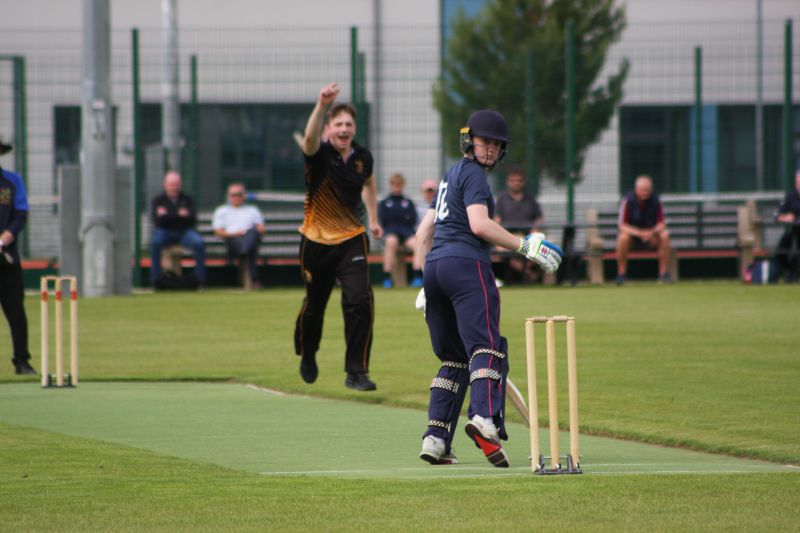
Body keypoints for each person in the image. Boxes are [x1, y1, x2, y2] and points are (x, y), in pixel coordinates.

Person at [414, 110, 562, 467]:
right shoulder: (475, 176)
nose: (491, 149)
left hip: (435, 267)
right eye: (485, 142)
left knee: (453, 357)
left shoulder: (450, 175)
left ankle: (435, 439)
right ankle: (483, 418)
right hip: (467, 265)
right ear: (469, 140)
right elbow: (480, 225)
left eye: (497, 144)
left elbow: (422, 234)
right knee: (487, 346)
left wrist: (426, 280)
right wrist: (525, 246)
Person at [294, 82, 382, 392]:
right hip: (316, 241)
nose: (344, 129)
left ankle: (356, 371)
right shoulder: (318, 154)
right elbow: (308, 140)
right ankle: (308, 352)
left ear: (354, 128)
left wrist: (373, 218)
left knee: (359, 300)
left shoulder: (362, 157)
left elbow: (369, 183)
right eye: (338, 124)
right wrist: (322, 104)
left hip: (351, 239)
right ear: (329, 128)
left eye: (348, 125)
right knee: (315, 305)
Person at [0, 139, 36, 376]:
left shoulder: (12, 182)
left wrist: (5, 238)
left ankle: (22, 361)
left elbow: (21, 214)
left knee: (15, 311)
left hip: (6, 259)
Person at [150, 171, 207, 288]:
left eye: (176, 184)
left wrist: (168, 215)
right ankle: (156, 280)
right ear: (165, 185)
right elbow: (158, 222)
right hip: (165, 232)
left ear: (180, 185)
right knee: (156, 242)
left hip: (184, 232)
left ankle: (200, 280)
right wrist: (178, 215)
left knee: (199, 242)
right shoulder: (158, 200)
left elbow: (192, 220)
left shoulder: (187, 199)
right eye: (171, 185)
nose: (174, 187)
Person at [615, 175, 672, 284]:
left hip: (652, 238)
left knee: (665, 235)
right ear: (636, 189)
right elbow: (622, 225)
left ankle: (663, 274)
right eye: (642, 190)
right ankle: (621, 275)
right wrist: (639, 233)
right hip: (633, 238)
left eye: (647, 190)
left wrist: (651, 232)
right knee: (622, 238)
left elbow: (662, 223)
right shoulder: (627, 201)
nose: (645, 193)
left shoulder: (657, 200)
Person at [493, 168, 544, 284]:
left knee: (539, 248)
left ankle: (526, 272)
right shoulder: (501, 200)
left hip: (527, 237)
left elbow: (538, 219)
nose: (516, 183)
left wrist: (535, 232)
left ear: (523, 182)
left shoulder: (530, 199)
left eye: (519, 180)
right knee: (502, 250)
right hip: (507, 237)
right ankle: (527, 273)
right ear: (508, 182)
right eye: (513, 180)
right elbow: (496, 221)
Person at [212, 183, 266, 288]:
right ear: (228, 196)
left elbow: (261, 229)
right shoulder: (221, 211)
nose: (237, 197)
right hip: (232, 241)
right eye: (234, 195)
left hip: (249, 238)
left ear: (244, 195)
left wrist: (256, 230)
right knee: (250, 248)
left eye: (239, 194)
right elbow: (218, 232)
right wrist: (235, 234)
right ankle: (254, 279)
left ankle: (244, 251)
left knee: (251, 235)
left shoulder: (252, 210)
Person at [378, 172, 421, 288]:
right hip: (391, 232)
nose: (397, 187)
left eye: (399, 185)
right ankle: (387, 278)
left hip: (406, 233)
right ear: (391, 185)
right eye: (395, 185)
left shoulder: (408, 203)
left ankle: (417, 276)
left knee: (417, 244)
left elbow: (413, 220)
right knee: (391, 242)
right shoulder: (384, 203)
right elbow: (382, 222)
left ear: (403, 185)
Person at [775, 170, 800, 282]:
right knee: (782, 249)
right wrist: (786, 217)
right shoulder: (790, 197)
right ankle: (790, 274)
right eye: (798, 183)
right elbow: (778, 215)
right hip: (795, 232)